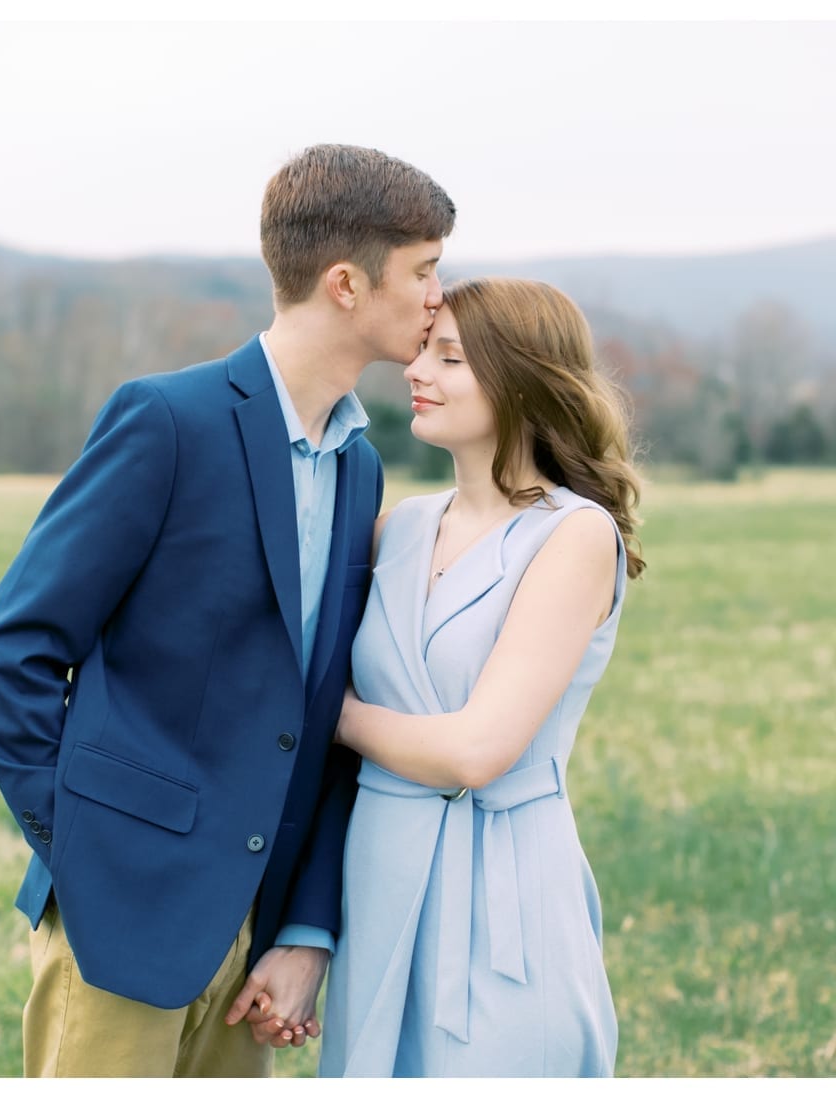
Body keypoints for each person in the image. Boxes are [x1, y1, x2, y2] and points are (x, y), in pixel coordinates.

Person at [0, 143, 455, 1077]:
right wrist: (88, 851)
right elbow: (14, 654)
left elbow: (321, 710)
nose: (440, 296)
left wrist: (306, 924)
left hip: (255, 944)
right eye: (426, 270)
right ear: (347, 284)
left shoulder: (359, 465)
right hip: (124, 921)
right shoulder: (168, 421)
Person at [315, 277, 645, 1077]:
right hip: (380, 877)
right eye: (424, 350)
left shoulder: (573, 535)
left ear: (522, 376)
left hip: (505, 889)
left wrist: (330, 713)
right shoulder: (396, 528)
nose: (416, 372)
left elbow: (477, 751)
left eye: (450, 357)